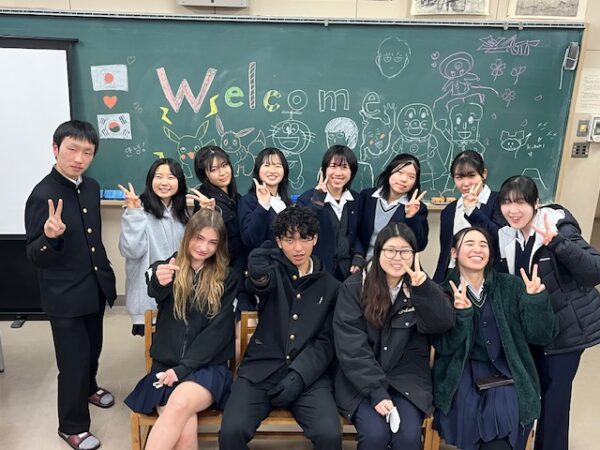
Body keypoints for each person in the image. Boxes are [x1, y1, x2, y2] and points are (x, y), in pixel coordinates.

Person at [24, 120, 117, 450]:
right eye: (72, 149)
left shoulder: (90, 186)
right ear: (55, 149)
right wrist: (49, 237)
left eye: (87, 152)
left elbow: (93, 240)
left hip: (93, 286)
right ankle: (72, 426)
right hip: (63, 296)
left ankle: (89, 388)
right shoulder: (42, 195)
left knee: (92, 350)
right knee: (73, 363)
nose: (79, 158)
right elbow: (34, 255)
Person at [219, 206, 342, 450]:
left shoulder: (331, 286)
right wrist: (256, 275)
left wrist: (299, 376)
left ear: (315, 239)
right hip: (260, 370)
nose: (298, 248)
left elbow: (327, 341)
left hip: (308, 376)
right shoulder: (272, 270)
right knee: (231, 431)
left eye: (305, 239)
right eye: (289, 240)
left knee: (330, 434)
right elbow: (260, 285)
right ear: (278, 241)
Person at [496, 175, 600, 450]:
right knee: (530, 393)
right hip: (534, 329)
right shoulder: (508, 236)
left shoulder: (557, 227)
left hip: (566, 331)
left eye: (521, 202)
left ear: (536, 203)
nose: (513, 210)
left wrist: (557, 243)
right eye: (506, 202)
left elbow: (594, 271)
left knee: (554, 402)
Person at [432, 226, 558, 450]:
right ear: (454, 252)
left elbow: (542, 336)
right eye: (469, 243)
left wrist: (535, 301)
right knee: (467, 415)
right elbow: (444, 346)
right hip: (460, 372)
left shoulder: (511, 286)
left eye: (483, 245)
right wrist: (462, 315)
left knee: (504, 424)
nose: (477, 249)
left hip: (507, 371)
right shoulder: (442, 293)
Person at [124, 208, 239, 450]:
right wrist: (159, 281)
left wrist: (183, 370)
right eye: (199, 238)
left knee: (178, 405)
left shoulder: (227, 278)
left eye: (212, 242)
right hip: (165, 367)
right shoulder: (168, 268)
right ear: (188, 235)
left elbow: (217, 334)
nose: (204, 247)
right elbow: (155, 289)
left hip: (207, 368)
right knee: (185, 428)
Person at [333, 222, 454, 449]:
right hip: (361, 382)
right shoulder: (354, 287)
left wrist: (424, 289)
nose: (397, 258)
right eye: (390, 250)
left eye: (405, 251)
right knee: (375, 435)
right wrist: (376, 391)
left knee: (407, 437)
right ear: (378, 251)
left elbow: (443, 323)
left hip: (406, 380)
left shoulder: (419, 284)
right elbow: (351, 347)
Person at [118, 158, 189, 336]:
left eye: (171, 177)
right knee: (156, 345)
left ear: (179, 182)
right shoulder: (139, 210)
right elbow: (131, 250)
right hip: (148, 299)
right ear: (150, 181)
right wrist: (133, 213)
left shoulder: (181, 214)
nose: (164, 182)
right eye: (159, 177)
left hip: (177, 298)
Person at [433, 150, 505, 283]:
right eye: (459, 177)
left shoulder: (500, 201)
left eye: (471, 176)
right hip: (453, 277)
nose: (466, 183)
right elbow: (445, 255)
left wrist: (472, 211)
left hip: (488, 278)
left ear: (483, 174)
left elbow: (501, 238)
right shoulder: (449, 211)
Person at [297, 145, 364, 281]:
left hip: (348, 272)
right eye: (333, 166)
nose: (338, 173)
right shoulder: (307, 198)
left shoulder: (356, 199)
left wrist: (358, 255)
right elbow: (301, 231)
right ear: (324, 170)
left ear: (351, 172)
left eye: (344, 167)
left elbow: (359, 233)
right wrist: (317, 201)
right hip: (319, 271)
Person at [357, 154, 428, 261]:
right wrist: (358, 256)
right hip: (362, 262)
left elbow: (420, 245)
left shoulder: (417, 207)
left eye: (411, 176)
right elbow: (353, 232)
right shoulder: (367, 196)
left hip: (394, 265)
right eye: (400, 172)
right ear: (390, 171)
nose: (404, 179)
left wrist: (411, 217)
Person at [189, 145, 246, 274]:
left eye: (224, 165)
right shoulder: (205, 201)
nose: (222, 173)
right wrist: (208, 214)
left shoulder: (237, 198)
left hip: (239, 268)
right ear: (205, 175)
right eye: (214, 169)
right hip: (221, 271)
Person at [238, 147, 292, 251]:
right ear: (258, 170)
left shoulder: (287, 203)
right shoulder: (248, 201)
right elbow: (250, 240)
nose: (272, 170)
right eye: (266, 165)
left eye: (278, 166)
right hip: (264, 260)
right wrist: (263, 205)